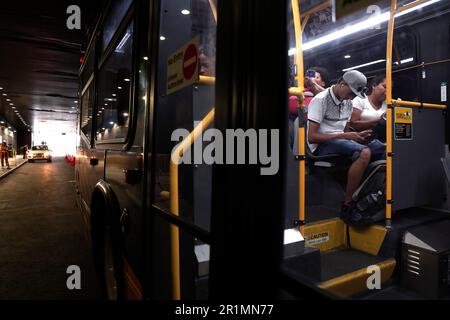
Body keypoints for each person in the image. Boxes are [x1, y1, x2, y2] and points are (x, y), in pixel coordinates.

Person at [307, 70, 385, 220]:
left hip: (340, 140)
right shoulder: (320, 100)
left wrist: (356, 137)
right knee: (365, 153)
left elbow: (345, 130)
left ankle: (371, 193)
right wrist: (346, 136)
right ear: (342, 84)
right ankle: (348, 203)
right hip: (322, 145)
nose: (352, 98)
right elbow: (312, 137)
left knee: (383, 148)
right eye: (351, 93)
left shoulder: (347, 102)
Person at [350, 75, 387, 142]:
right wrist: (378, 120)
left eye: (390, 89)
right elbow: (353, 124)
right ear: (374, 85)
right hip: (363, 139)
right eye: (385, 87)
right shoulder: (360, 100)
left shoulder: (388, 104)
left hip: (383, 138)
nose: (387, 91)